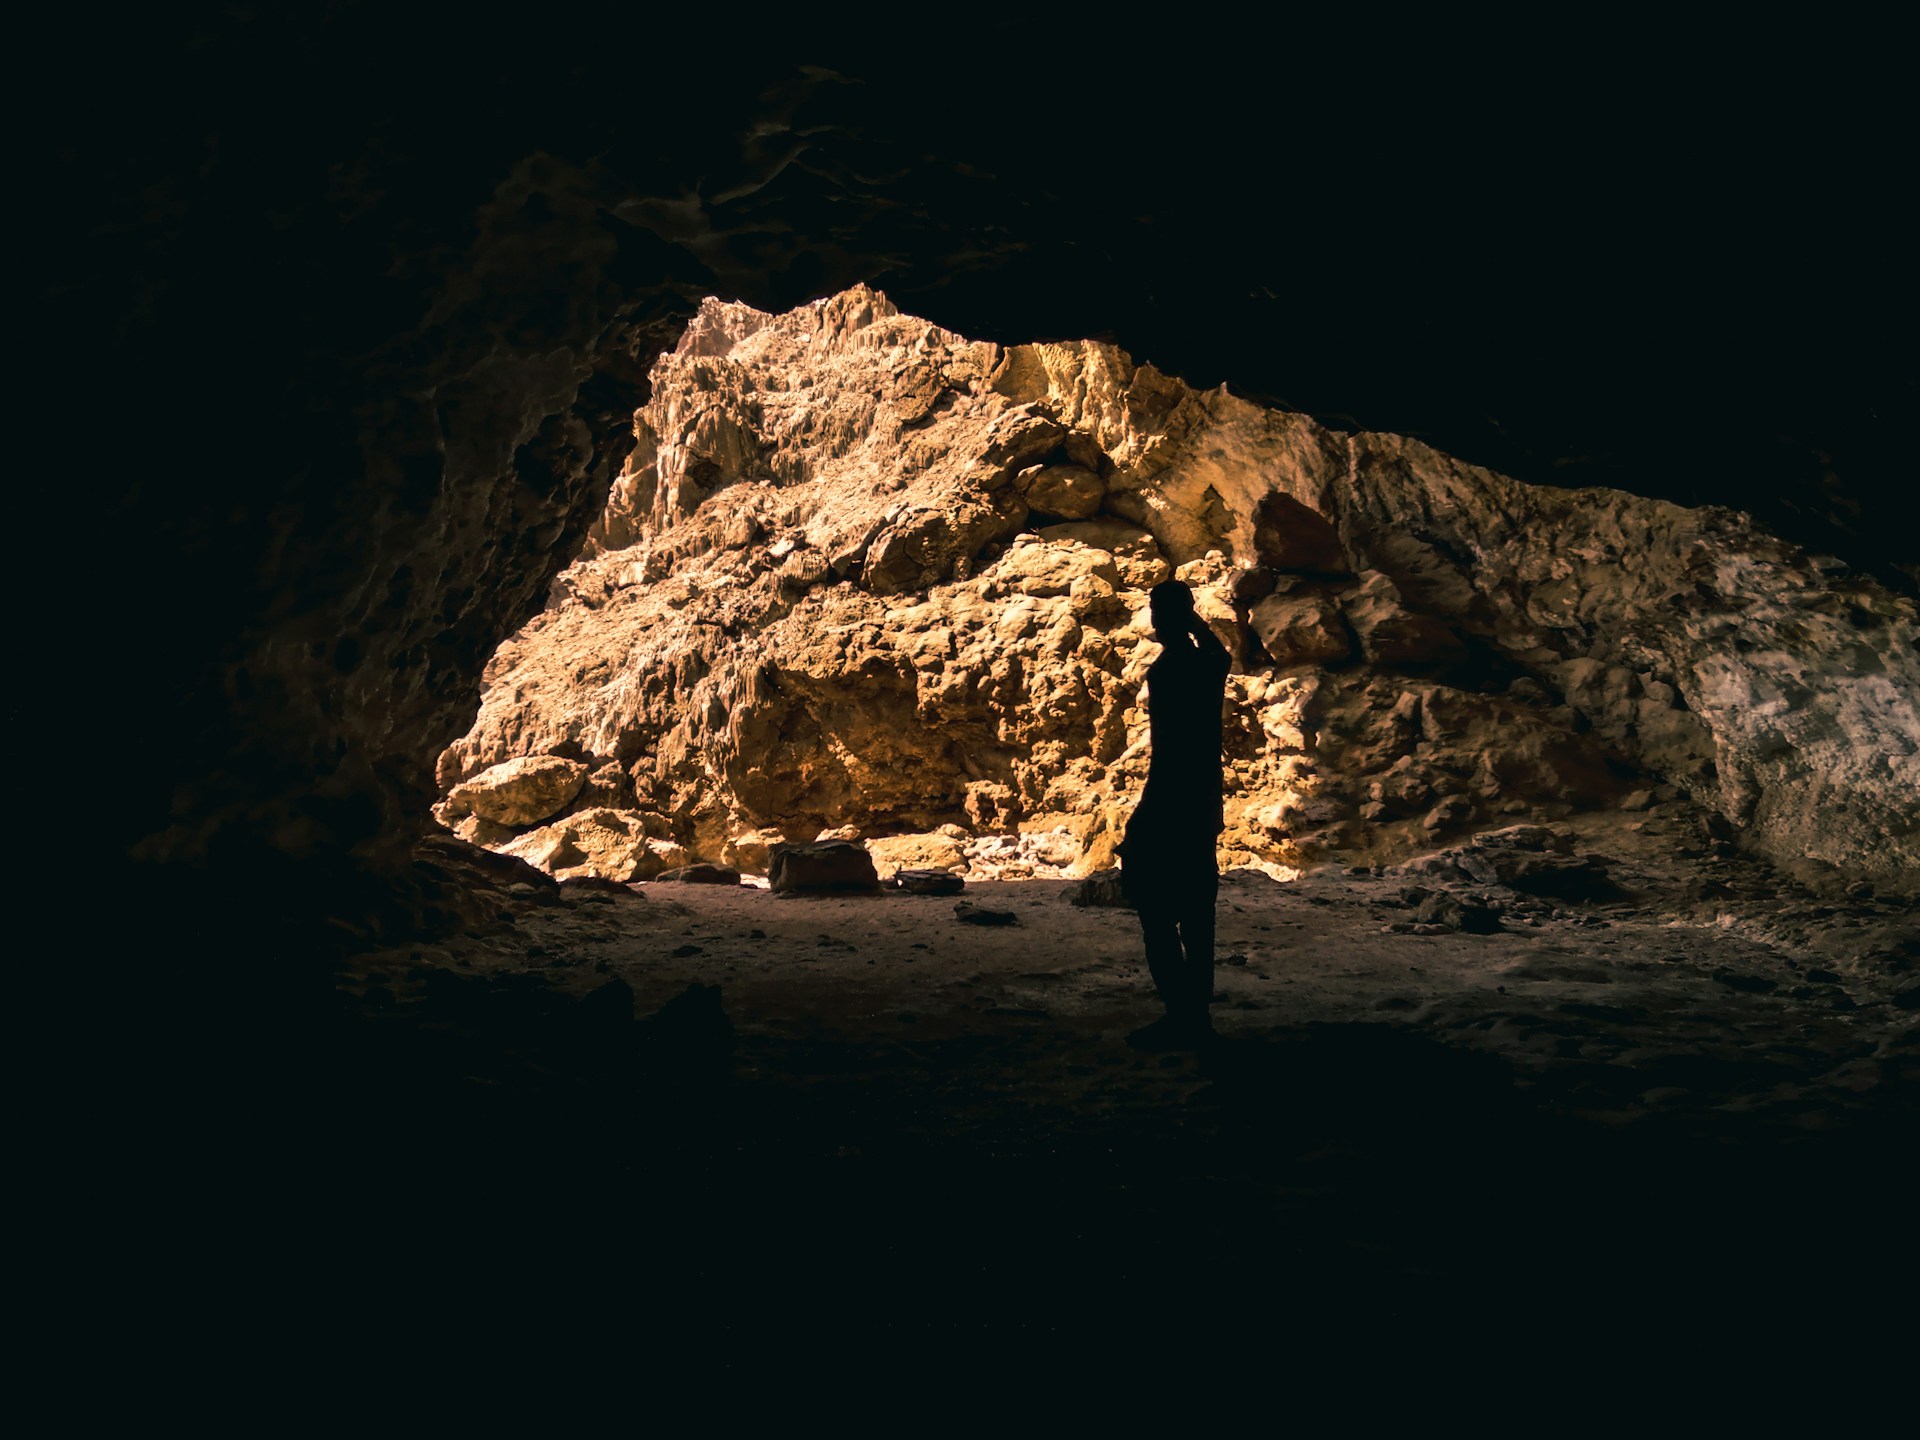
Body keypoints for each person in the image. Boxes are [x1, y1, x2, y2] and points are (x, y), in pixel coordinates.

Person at [1117, 579, 1232, 1049]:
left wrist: (1143, 816)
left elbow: (1168, 753)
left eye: (1156, 610)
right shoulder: (1208, 663)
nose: (1153, 618)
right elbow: (1221, 653)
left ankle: (1180, 1013)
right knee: (1198, 913)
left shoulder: (1168, 671)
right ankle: (1195, 1015)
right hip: (1203, 802)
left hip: (1169, 799)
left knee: (1156, 912)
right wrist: (1194, 622)